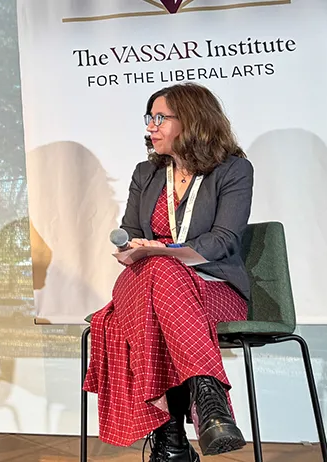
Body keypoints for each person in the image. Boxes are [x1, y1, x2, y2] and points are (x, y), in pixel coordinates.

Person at [83, 82, 253, 461]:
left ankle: (171, 445)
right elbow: (131, 231)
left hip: (213, 287)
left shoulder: (233, 170)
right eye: (150, 118)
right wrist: (132, 247)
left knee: (153, 285)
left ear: (191, 121)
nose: (150, 127)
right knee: (158, 271)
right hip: (144, 280)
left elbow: (224, 239)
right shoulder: (146, 173)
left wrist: (164, 250)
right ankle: (208, 398)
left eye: (160, 118)